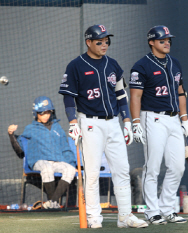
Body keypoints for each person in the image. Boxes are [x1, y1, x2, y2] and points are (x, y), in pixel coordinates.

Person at [58, 24, 147, 229]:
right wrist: (73, 122)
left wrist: (126, 121)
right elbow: (69, 98)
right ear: (88, 42)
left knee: (122, 169)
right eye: (100, 41)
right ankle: (93, 218)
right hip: (89, 123)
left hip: (113, 123)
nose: (104, 44)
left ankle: (125, 216)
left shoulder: (113, 65)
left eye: (107, 40)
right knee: (92, 173)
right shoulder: (76, 65)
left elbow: (121, 95)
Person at [129, 25, 188, 225]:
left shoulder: (175, 63)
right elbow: (135, 97)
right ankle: (151, 211)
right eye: (162, 40)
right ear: (152, 42)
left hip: (174, 118)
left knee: (178, 166)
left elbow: (181, 92)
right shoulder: (142, 66)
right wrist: (136, 122)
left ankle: (168, 209)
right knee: (153, 166)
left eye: (168, 39)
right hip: (152, 117)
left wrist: (185, 117)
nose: (167, 42)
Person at [8, 96, 76, 209]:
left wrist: (72, 164)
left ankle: (51, 203)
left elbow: (66, 148)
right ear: (36, 113)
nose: (46, 116)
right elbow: (19, 150)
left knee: (70, 169)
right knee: (47, 168)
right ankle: (53, 204)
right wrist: (11, 135)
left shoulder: (57, 128)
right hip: (39, 161)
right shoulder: (30, 128)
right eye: (42, 113)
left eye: (48, 112)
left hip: (56, 162)